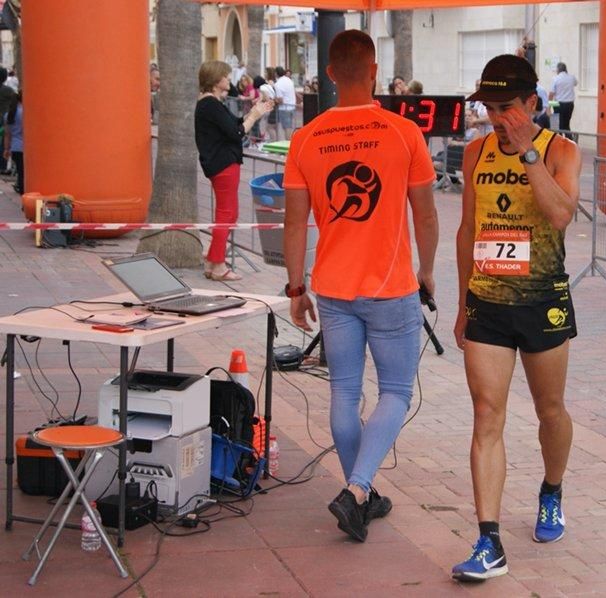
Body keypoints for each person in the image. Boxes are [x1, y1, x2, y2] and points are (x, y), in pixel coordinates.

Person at [282, 30, 439, 543]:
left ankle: (361, 496)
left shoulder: (305, 139)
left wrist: (294, 287)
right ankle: (357, 490)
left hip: (332, 288)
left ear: (329, 73)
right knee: (394, 391)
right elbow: (426, 213)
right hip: (392, 287)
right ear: (374, 70)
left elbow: (293, 223)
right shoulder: (402, 132)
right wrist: (428, 269)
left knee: (345, 393)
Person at [451, 54, 581, 582]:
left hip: (542, 301)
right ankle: (488, 541)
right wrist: (462, 304)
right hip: (488, 302)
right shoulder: (475, 152)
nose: (495, 117)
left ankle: (551, 491)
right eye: (488, 107)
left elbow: (560, 214)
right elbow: (467, 229)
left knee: (550, 411)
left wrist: (529, 152)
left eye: (506, 107)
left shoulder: (561, 151)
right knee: (487, 414)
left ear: (532, 103)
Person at [194, 60, 273, 281]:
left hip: (221, 163)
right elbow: (237, 132)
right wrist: (255, 116)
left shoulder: (211, 104)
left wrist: (256, 111)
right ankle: (217, 265)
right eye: (226, 77)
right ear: (216, 80)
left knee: (229, 213)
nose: (229, 80)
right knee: (226, 214)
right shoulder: (209, 104)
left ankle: (213, 259)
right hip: (223, 164)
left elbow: (234, 124)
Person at [549, 62, 577, 138]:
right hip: (570, 104)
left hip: (557, 103)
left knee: (557, 125)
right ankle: (570, 141)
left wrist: (549, 106)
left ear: (558, 70)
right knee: (566, 124)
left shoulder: (555, 79)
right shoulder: (572, 77)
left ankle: (559, 140)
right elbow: (575, 83)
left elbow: (551, 94)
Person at [4, 90, 23, 194]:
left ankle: (20, 187)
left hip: (15, 147)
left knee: (20, 171)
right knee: (24, 172)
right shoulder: (27, 112)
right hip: (26, 147)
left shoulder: (9, 114)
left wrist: (6, 149)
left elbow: (7, 134)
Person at [273, 66, 297, 140]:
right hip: (292, 106)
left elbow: (280, 100)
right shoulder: (289, 80)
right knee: (290, 126)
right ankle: (289, 143)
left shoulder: (278, 84)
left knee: (286, 127)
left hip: (284, 108)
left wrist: (273, 99)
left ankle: (288, 145)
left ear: (276, 73)